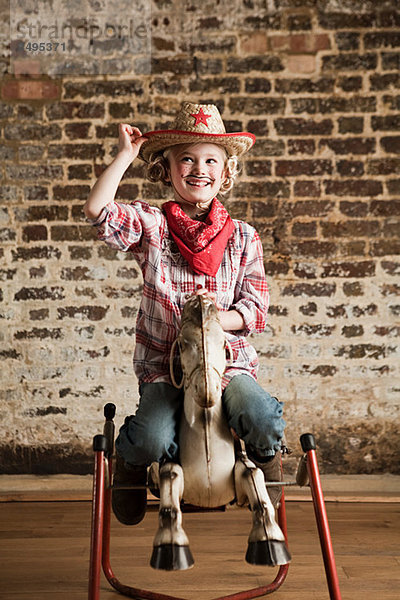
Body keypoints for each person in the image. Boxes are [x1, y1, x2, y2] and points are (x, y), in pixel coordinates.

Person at [84, 102, 286, 525]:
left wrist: (212, 323)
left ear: (225, 171)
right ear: (168, 168)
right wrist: (125, 155)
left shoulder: (244, 237)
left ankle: (267, 464)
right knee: (151, 437)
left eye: (211, 159)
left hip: (227, 364)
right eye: (187, 159)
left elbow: (255, 309)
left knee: (262, 416)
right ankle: (133, 467)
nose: (200, 168)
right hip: (166, 366)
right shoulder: (153, 225)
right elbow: (98, 212)